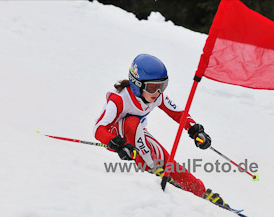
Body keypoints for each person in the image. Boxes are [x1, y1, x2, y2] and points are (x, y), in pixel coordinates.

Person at [94, 54, 227, 206]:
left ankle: (199, 192)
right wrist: (116, 144)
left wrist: (195, 130)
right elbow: (98, 129)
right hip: (118, 140)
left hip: (138, 138)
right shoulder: (119, 99)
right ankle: (152, 170)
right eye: (152, 88)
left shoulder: (157, 97)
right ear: (137, 84)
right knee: (132, 122)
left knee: (167, 161)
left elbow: (178, 114)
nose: (157, 92)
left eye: (162, 86)